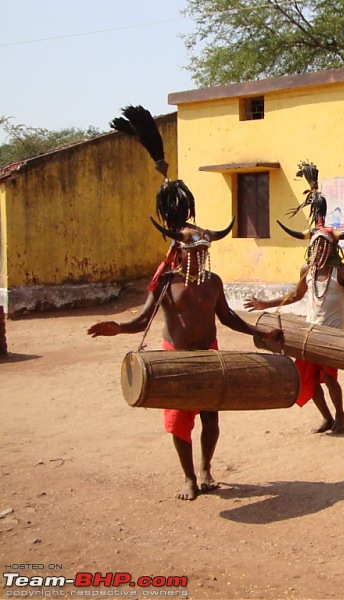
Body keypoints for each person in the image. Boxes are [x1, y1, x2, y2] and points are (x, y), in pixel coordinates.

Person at [89, 106, 283, 501]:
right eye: (192, 247)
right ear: (179, 250)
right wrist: (117, 328)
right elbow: (142, 319)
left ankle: (208, 468)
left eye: (203, 248)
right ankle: (188, 478)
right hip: (173, 356)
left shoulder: (212, 282)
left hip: (209, 355)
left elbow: (228, 319)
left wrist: (260, 330)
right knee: (180, 422)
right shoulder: (165, 280)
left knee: (211, 417)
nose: (198, 253)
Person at [245, 223, 344, 434]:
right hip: (308, 335)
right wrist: (264, 304)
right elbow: (296, 295)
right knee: (308, 380)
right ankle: (327, 417)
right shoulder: (307, 270)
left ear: (332, 248)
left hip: (332, 336)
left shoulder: (342, 271)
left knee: (330, 379)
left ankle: (340, 414)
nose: (320, 250)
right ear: (311, 248)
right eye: (316, 245)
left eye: (324, 246)